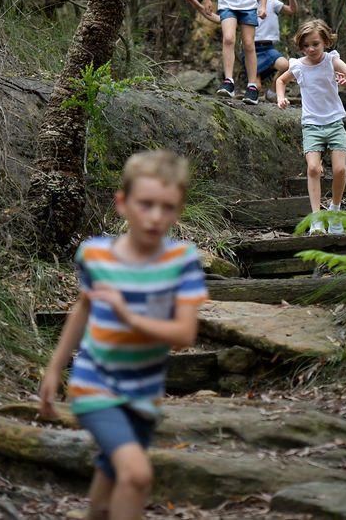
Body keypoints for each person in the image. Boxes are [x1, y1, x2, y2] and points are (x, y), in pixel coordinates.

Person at [38, 150, 207, 520]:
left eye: (167, 207)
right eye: (145, 204)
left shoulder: (182, 262)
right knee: (136, 475)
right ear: (122, 203)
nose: (155, 217)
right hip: (94, 386)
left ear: (178, 210)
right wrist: (54, 369)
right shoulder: (95, 255)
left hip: (144, 395)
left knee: (101, 505)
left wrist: (127, 314)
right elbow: (83, 309)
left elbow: (183, 335)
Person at [275, 19, 346, 235]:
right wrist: (281, 98)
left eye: (315, 44)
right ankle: (316, 219)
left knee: (340, 169)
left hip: (334, 122)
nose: (311, 49)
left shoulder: (332, 61)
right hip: (312, 124)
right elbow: (281, 81)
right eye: (306, 45)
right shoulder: (298, 66)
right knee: (314, 168)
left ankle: (334, 210)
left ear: (325, 41)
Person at [185, 0, 298, 102]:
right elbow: (219, 19)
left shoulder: (272, 2)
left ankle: (272, 92)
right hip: (251, 50)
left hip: (268, 48)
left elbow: (292, 10)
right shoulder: (242, 6)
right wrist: (198, 6)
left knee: (285, 65)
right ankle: (250, 99)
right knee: (256, 86)